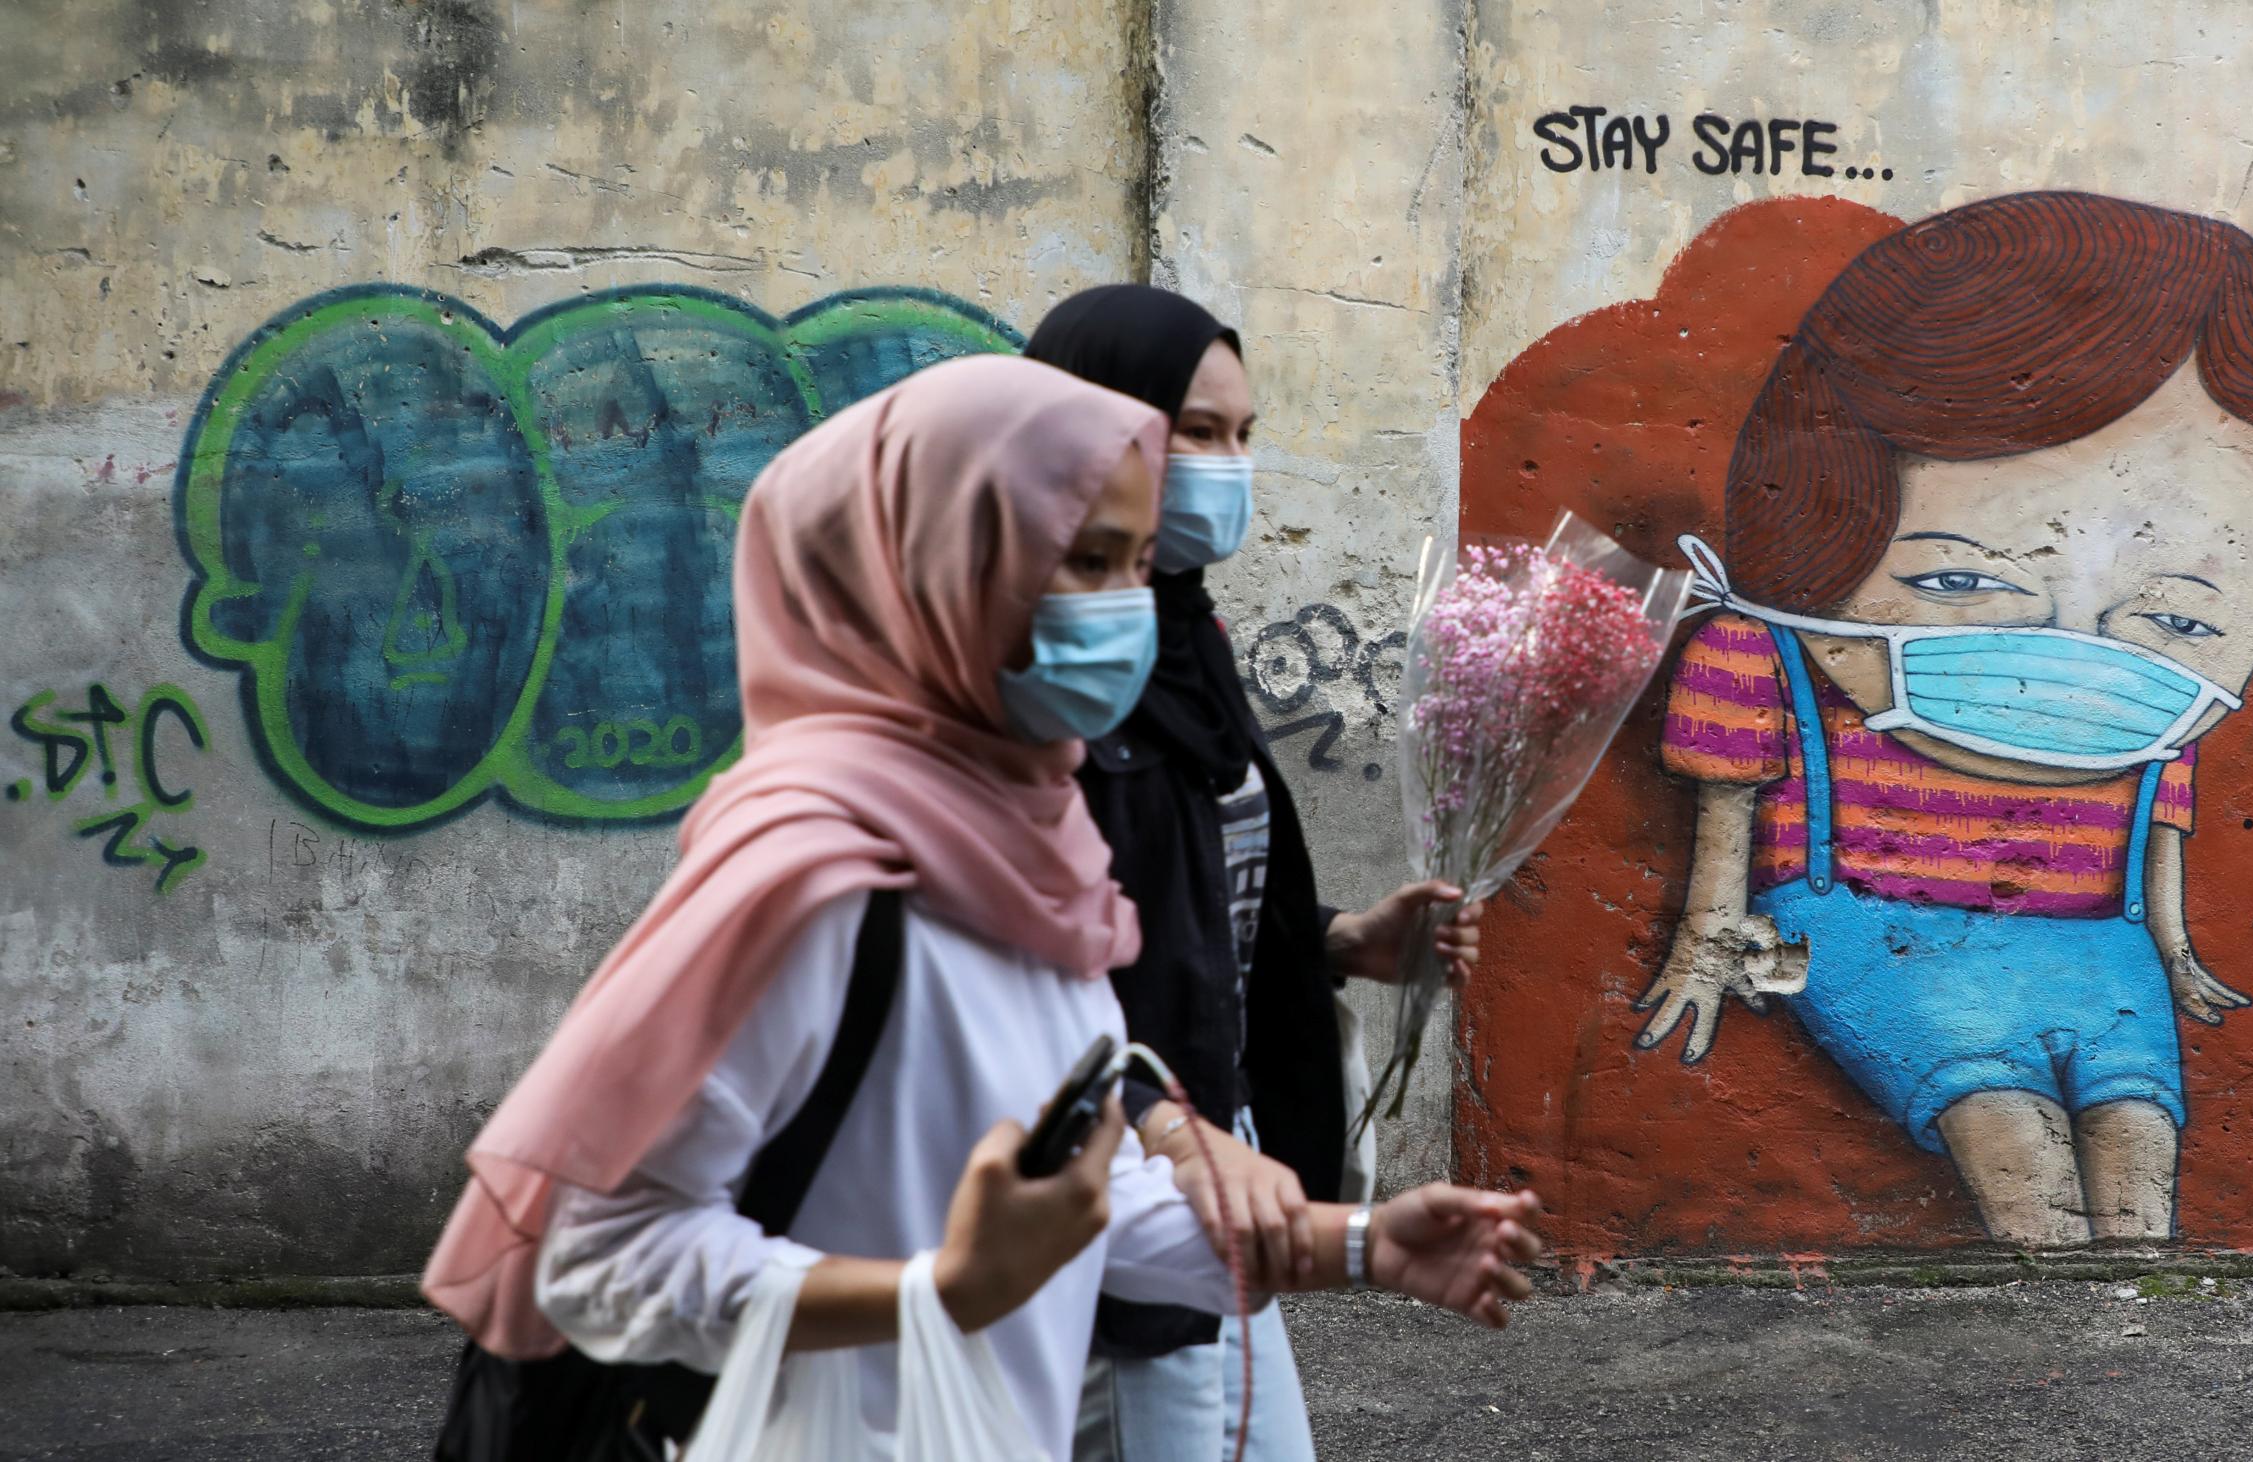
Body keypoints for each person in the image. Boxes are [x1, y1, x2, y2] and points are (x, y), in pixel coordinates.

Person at [420, 354, 1542, 1458]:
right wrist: (934, 1292)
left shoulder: (1028, 849)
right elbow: (600, 1255)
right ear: (935, 572)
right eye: (1084, 561)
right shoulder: (812, 873)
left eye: (1139, 564)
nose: (1126, 609)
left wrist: (1353, 1244)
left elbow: (1077, 1210)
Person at [1633, 191, 2253, 1246]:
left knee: (2140, 1136)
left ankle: (2127, 1342)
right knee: (2008, 1136)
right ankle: (2069, 1348)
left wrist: (2174, 947)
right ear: (1814, 525)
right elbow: (1725, 815)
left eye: (2177, 614)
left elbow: (2157, 828)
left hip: (2099, 943)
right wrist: (1704, 940)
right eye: (1961, 577)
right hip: (1868, 921)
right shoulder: (1756, 652)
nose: (2070, 646)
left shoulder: (2155, 720)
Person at [1023, 285, 1484, 1462]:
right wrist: (1165, 1135)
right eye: (1194, 430)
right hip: (1100, 1162)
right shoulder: (1043, 669)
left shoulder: (1183, 636)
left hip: (1205, 1151)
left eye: (1243, 434)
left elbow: (1188, 903)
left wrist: (1342, 939)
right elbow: (1030, 965)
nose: (1228, 465)